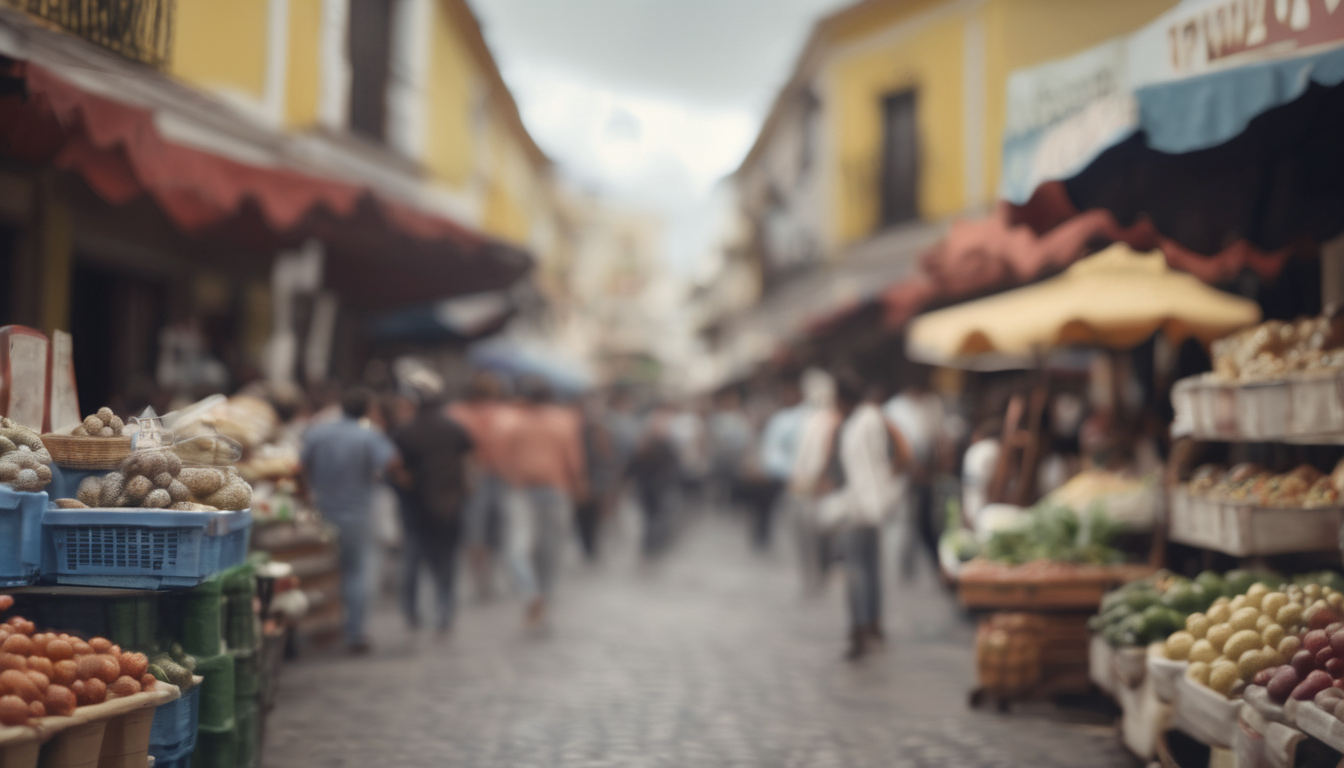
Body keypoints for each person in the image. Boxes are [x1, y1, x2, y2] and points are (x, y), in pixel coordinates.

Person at [300, 387, 399, 654]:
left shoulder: (318, 432)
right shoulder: (369, 436)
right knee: (356, 573)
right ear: (367, 409)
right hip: (358, 512)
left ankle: (320, 630)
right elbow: (391, 463)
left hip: (321, 511)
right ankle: (355, 632)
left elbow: (299, 466)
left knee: (320, 572)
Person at [831, 376, 913, 661]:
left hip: (861, 506)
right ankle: (873, 625)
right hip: (873, 504)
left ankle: (861, 628)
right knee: (869, 565)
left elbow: (903, 452)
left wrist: (886, 482)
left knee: (855, 568)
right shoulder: (871, 417)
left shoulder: (862, 420)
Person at [497, 377, 587, 627]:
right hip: (553, 490)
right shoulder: (564, 420)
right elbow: (573, 459)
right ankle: (540, 597)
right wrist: (579, 485)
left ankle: (532, 595)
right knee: (550, 551)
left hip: (525, 491)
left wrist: (514, 478)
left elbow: (502, 460)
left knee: (518, 550)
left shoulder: (515, 422)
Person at [390, 375, 474, 637]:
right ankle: (444, 613)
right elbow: (470, 459)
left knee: (413, 560)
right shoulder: (453, 427)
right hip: (450, 503)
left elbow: (397, 470)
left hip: (416, 505)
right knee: (447, 562)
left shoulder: (405, 431)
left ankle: (412, 611)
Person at [449, 372, 513, 599]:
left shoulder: (457, 413)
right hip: (487, 474)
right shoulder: (499, 413)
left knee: (480, 530)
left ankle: (481, 578)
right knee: (487, 530)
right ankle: (484, 578)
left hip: (483, 474)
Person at [883, 382, 943, 581]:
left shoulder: (929, 405)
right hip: (902, 474)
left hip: (921, 472)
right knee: (902, 522)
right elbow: (897, 447)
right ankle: (901, 569)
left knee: (920, 520)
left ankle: (912, 568)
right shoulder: (894, 408)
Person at [787, 370, 839, 594]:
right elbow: (802, 457)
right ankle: (812, 577)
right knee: (807, 535)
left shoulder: (833, 419)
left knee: (824, 535)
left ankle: (822, 575)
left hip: (825, 486)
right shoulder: (808, 420)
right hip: (807, 485)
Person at [752, 379, 809, 551]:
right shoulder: (778, 418)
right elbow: (769, 446)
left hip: (796, 476)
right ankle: (763, 538)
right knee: (765, 509)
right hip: (774, 473)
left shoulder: (806, 417)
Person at [627, 406, 682, 557]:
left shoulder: (657, 445)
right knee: (654, 515)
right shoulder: (652, 445)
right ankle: (652, 542)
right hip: (653, 487)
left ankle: (651, 542)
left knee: (653, 516)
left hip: (653, 486)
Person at [706, 389, 754, 511]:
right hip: (721, 454)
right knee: (721, 480)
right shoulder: (717, 418)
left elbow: (746, 436)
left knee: (735, 480)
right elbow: (712, 437)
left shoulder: (740, 417)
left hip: (736, 454)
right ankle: (720, 501)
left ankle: (734, 500)